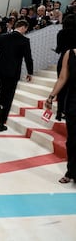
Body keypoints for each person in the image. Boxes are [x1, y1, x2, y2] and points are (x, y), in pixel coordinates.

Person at [0, 20, 34, 132]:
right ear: (23, 27)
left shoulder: (3, 37)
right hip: (13, 72)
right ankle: (1, 123)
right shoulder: (24, 40)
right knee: (9, 96)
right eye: (26, 29)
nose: (25, 31)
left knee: (2, 89)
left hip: (0, 70)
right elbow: (28, 58)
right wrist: (30, 72)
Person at [45, 48, 76, 183]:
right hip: (73, 101)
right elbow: (63, 77)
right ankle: (71, 172)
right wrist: (51, 96)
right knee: (72, 140)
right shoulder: (70, 54)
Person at [54, 14, 76, 121]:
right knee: (71, 88)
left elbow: (58, 49)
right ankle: (67, 112)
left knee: (61, 85)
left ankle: (59, 112)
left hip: (62, 60)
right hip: (74, 60)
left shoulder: (60, 33)